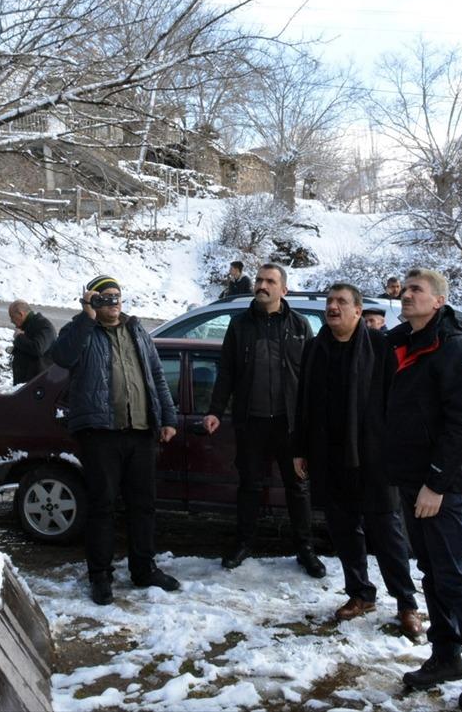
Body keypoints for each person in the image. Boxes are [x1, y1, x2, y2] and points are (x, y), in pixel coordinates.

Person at [386, 268, 462, 711]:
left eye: (417, 290)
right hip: (410, 478)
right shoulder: (404, 342)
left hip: (441, 485)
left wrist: (435, 484)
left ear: (439, 301)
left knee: (453, 577)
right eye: (405, 288)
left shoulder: (456, 348)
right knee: (433, 574)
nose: (407, 294)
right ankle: (445, 656)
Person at [292, 284, 422, 640]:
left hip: (375, 456)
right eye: (330, 302)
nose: (333, 307)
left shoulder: (381, 348)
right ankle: (360, 593)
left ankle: (406, 603)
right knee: (343, 529)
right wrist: (300, 448)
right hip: (329, 455)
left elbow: (398, 403)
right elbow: (303, 401)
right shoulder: (315, 348)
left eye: (341, 302)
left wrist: (397, 448)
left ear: (357, 311)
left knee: (387, 532)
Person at [49, 275, 181, 605]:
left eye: (115, 297)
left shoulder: (137, 331)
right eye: (103, 298)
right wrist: (85, 317)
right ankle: (100, 576)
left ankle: (143, 568)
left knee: (143, 505)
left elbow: (156, 376)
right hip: (100, 434)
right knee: (102, 507)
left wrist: (168, 418)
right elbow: (62, 357)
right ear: (92, 301)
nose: (112, 303)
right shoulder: (80, 331)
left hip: (141, 432)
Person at [203, 263, 323, 578]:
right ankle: (243, 544)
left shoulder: (299, 326)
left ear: (283, 290)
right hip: (251, 421)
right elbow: (226, 371)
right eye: (258, 279)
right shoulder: (240, 325)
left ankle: (305, 549)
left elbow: (311, 378)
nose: (261, 285)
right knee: (249, 486)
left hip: (289, 424)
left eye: (269, 281)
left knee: (298, 487)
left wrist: (313, 420)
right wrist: (215, 410)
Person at [8, 300, 57, 385]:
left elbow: (38, 348)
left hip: (37, 384)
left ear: (20, 314)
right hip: (26, 383)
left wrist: (19, 337)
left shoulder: (44, 326)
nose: (11, 321)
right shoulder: (27, 325)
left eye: (12, 317)